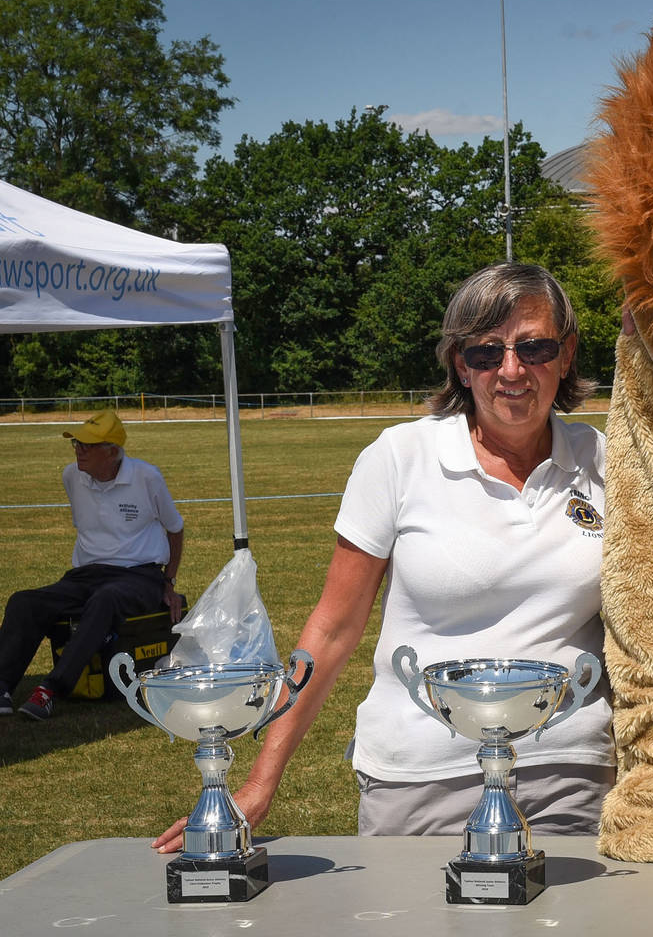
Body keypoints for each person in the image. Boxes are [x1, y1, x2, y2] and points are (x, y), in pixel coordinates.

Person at [153, 262, 614, 850]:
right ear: (458, 363)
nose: (511, 371)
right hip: (420, 774)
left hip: (569, 771)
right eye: (485, 353)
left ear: (567, 353)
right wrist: (260, 781)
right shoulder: (398, 457)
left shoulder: (607, 461)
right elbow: (334, 628)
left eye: (534, 347)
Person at [0, 410, 184, 720]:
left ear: (113, 451)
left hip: (139, 575)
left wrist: (169, 583)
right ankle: (3, 684)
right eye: (76, 444)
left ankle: (49, 690)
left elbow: (175, 530)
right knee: (24, 601)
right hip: (86, 574)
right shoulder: (71, 476)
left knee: (107, 599)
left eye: (88, 445)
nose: (79, 451)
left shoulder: (146, 476)